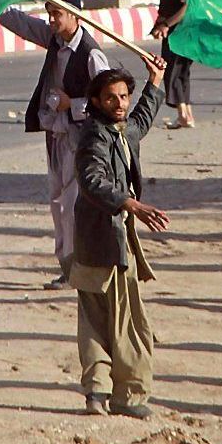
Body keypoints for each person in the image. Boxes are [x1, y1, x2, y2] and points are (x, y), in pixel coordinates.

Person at [70, 56, 167, 419]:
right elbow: (93, 180)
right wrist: (132, 204)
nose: (120, 103)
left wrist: (155, 82)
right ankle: (128, 395)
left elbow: (139, 122)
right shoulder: (93, 136)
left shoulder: (119, 130)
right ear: (95, 101)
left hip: (101, 238)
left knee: (95, 320)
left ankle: (96, 393)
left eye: (124, 96)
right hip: (106, 239)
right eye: (112, 98)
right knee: (126, 322)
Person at [0, 0, 110, 290]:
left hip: (80, 141)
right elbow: (20, 23)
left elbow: (109, 100)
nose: (50, 19)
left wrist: (71, 104)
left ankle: (78, 270)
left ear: (74, 16)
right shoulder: (53, 39)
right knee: (58, 204)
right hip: (55, 138)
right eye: (48, 12)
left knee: (73, 207)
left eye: (56, 13)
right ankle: (67, 267)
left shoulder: (91, 53)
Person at [150, 0, 194, 129]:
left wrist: (167, 24)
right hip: (170, 35)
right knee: (179, 74)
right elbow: (164, 10)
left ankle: (183, 115)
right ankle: (186, 115)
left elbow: (186, 7)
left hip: (182, 35)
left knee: (175, 73)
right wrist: (157, 25)